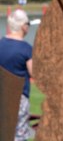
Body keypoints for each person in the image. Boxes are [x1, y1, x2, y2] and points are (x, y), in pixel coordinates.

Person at [0, 9, 33, 141]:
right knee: (18, 136)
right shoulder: (26, 49)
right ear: (24, 27)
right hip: (19, 99)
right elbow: (34, 72)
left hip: (1, 96)